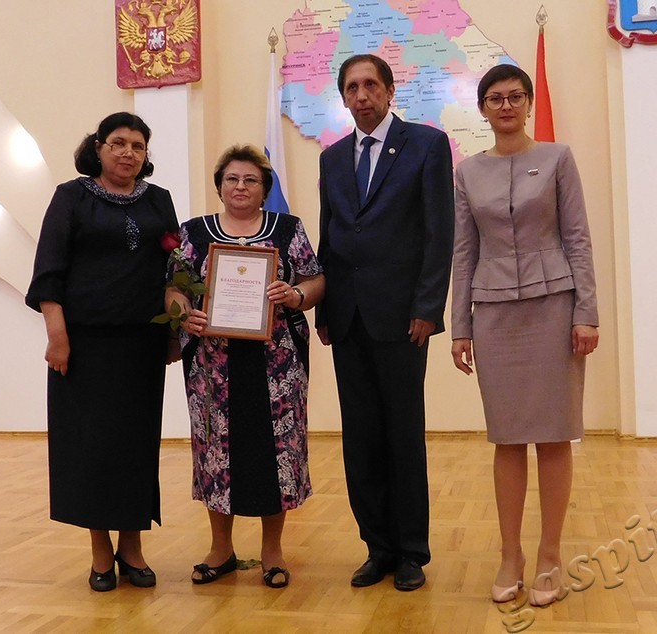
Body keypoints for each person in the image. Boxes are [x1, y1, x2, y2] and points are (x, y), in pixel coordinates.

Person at [450, 64, 599, 607]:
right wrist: (459, 326)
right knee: (507, 437)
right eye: (495, 98)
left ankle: (550, 556)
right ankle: (510, 554)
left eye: (515, 96)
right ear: (483, 108)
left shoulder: (558, 158)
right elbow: (464, 250)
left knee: (554, 435)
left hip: (555, 309)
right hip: (493, 315)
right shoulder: (468, 172)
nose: (506, 106)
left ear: (529, 102)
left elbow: (577, 238)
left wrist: (587, 312)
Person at [316, 54, 455, 592]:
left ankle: (411, 552)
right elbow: (330, 237)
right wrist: (325, 310)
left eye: (371, 84)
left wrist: (427, 308)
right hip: (348, 318)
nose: (362, 95)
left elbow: (439, 232)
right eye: (352, 88)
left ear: (390, 90)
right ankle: (376, 548)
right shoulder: (332, 159)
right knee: (361, 438)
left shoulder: (426, 145)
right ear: (343, 98)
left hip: (402, 318)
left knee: (401, 434)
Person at [25, 112, 179, 592]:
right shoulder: (70, 197)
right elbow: (48, 272)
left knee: (135, 447)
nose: (128, 152)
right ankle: (99, 551)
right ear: (98, 147)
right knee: (91, 449)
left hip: (141, 346)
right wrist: (57, 337)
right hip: (83, 348)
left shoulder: (159, 200)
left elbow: (175, 271)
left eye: (138, 145)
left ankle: (132, 548)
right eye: (118, 143)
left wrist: (175, 332)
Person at [167, 144, 324, 589]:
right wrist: (183, 314)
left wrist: (296, 295)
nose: (240, 186)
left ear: (264, 189)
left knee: (277, 452)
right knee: (216, 453)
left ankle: (272, 550)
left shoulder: (287, 229)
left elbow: (315, 279)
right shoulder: (194, 233)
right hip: (212, 367)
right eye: (232, 179)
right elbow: (174, 288)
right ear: (219, 186)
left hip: (277, 367)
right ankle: (221, 549)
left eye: (250, 179)